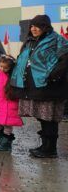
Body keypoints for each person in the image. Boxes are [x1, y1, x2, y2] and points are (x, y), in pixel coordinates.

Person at [10, 15, 68, 158]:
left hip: (50, 87)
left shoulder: (57, 40)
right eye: (31, 26)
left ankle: (50, 149)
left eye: (38, 26)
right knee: (42, 117)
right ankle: (45, 146)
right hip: (35, 87)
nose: (33, 29)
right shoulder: (30, 41)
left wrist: (52, 75)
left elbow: (65, 60)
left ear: (45, 27)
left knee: (49, 118)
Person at [0, 55, 22, 152]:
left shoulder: (14, 76)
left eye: (5, 68)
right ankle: (1, 138)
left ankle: (6, 143)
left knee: (8, 125)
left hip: (11, 104)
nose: (2, 69)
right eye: (1, 66)